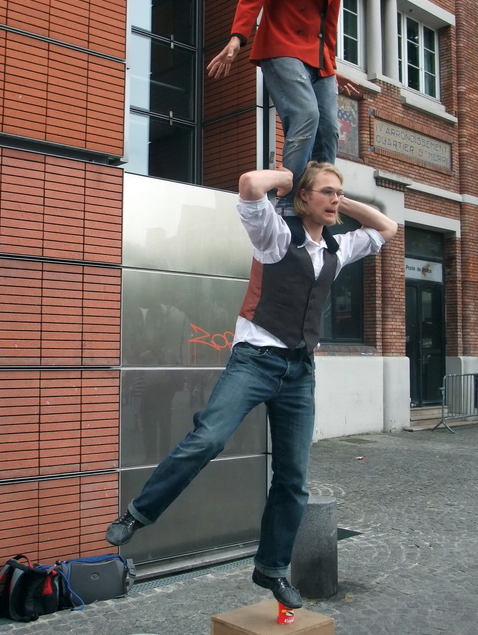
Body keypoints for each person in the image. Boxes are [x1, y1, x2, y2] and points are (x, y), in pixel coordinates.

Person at [106, 161, 398, 608]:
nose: (336, 199)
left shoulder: (338, 250)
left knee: (293, 479)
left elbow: (387, 227)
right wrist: (293, 179)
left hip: (299, 372)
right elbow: (247, 185)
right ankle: (138, 514)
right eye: (327, 192)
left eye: (338, 193)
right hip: (255, 361)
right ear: (303, 198)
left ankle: (271, 569)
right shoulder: (276, 237)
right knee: (208, 438)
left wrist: (338, 199)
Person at [206, 0, 367, 214]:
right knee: (305, 114)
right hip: (281, 44)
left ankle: (322, 200)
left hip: (318, 56)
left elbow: (331, 17)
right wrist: (238, 37)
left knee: (328, 130)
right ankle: (288, 201)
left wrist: (331, 66)